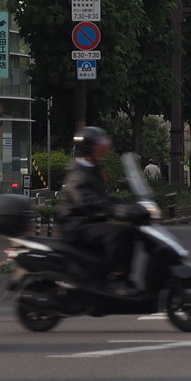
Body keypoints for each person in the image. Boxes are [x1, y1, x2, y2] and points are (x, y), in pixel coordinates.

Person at [57, 126, 138, 294]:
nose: (105, 146)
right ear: (89, 147)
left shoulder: (92, 168)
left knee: (129, 232)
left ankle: (117, 275)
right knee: (117, 233)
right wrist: (114, 210)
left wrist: (128, 206)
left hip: (88, 222)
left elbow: (103, 197)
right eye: (100, 143)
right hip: (76, 225)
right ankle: (116, 279)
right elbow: (86, 200)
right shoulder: (78, 173)